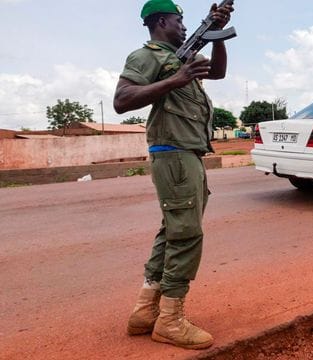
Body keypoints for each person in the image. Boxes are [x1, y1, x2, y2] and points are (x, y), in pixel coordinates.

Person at [113, 0, 234, 350]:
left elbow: (219, 73)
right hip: (174, 153)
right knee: (187, 234)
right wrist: (175, 80)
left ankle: (145, 311)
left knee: (173, 230)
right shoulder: (146, 56)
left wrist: (217, 34)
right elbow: (122, 99)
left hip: (186, 152)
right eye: (180, 20)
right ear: (162, 21)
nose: (183, 26)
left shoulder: (181, 54)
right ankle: (170, 320)